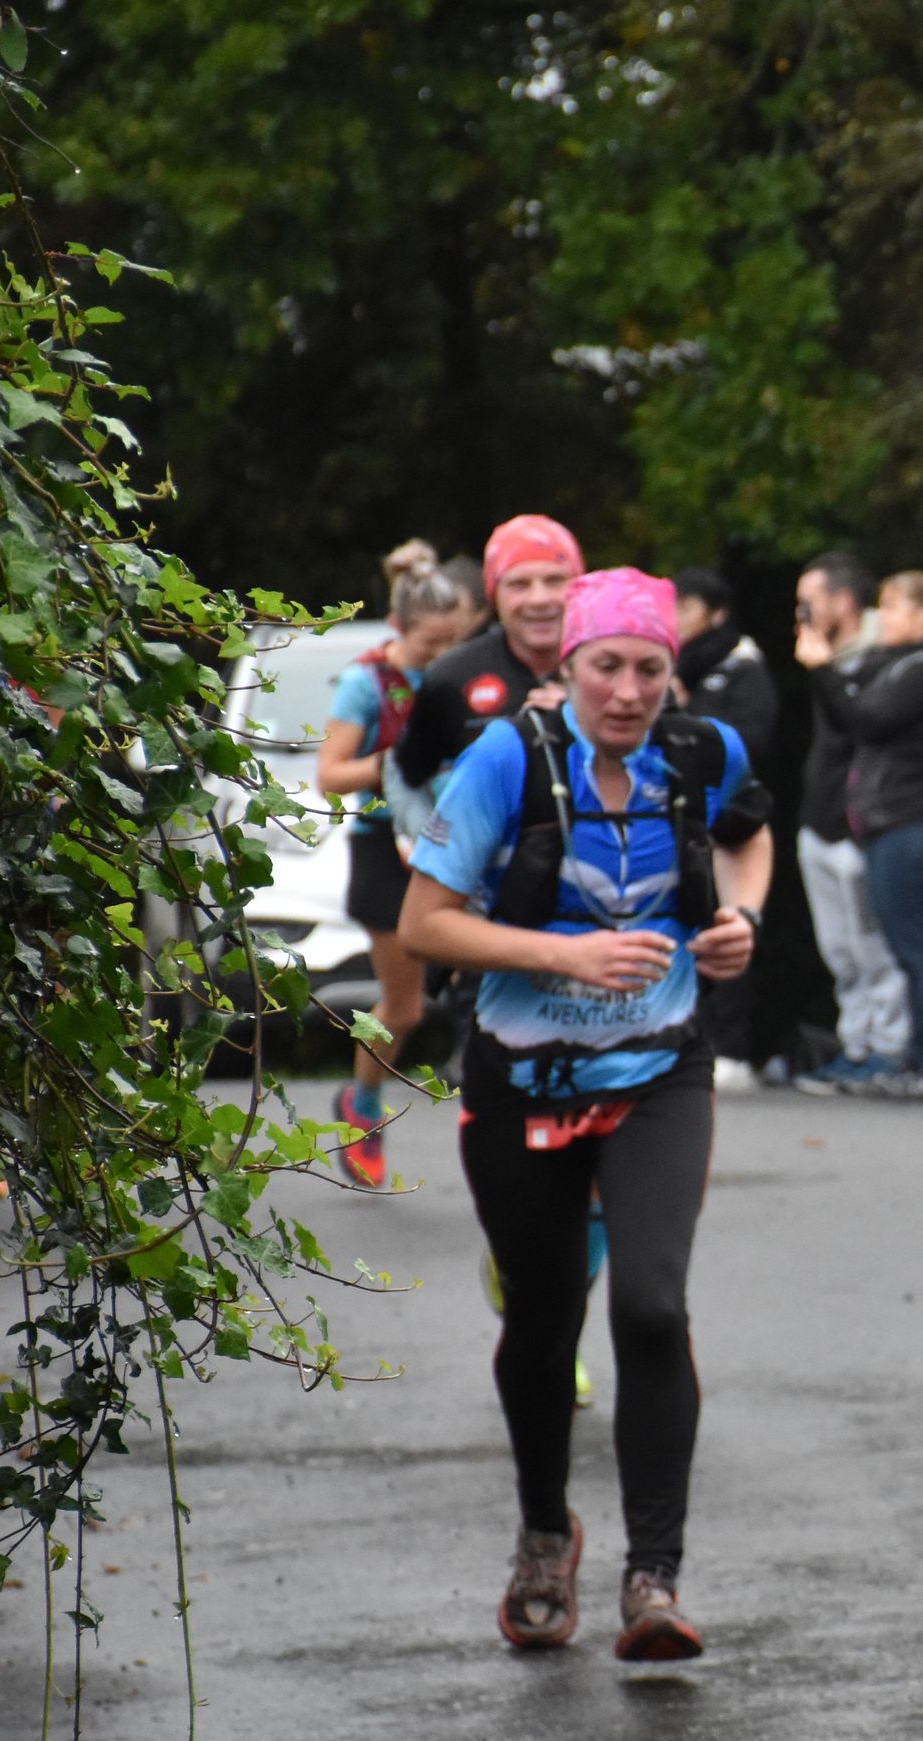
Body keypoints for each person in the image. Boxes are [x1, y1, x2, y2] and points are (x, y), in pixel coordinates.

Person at [399, 568, 775, 1662]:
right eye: (607, 666)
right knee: (543, 1317)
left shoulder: (701, 751)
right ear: (567, 667)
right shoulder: (506, 759)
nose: (629, 690)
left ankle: (654, 1577)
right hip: (520, 1075)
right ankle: (543, 1532)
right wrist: (564, 955)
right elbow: (426, 923)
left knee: (652, 1306)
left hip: (660, 1069)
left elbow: (752, 833)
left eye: (650, 668)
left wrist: (742, 918)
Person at [317, 540, 481, 1188]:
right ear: (398, 628)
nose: (444, 657)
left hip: (455, 839)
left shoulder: (462, 675)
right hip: (384, 845)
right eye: (430, 645)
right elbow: (331, 775)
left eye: (454, 643)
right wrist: (398, 765)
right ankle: (362, 1105)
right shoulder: (366, 684)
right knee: (405, 1009)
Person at [803, 570, 923, 1102]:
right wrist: (830, 670)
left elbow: (867, 719)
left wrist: (823, 669)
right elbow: (851, 711)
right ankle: (919, 1060)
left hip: (914, 822)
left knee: (921, 947)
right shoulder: (899, 663)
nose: (883, 617)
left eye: (895, 607)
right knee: (906, 947)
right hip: (890, 825)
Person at [790, 552, 912, 1093]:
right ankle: (856, 1046)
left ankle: (889, 1048)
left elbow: (863, 726)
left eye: (808, 603)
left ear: (842, 602)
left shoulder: (886, 657)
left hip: (859, 825)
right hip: (818, 820)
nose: (801, 615)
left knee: (872, 946)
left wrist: (822, 670)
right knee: (839, 949)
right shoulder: (831, 657)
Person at [393, 514, 585, 797]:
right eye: (519, 584)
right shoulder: (451, 677)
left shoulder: (618, 667)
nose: (539, 598)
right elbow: (404, 777)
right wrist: (431, 826)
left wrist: (582, 717)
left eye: (555, 580)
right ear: (494, 595)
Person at [674, 569, 776, 1093]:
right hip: (669, 817)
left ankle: (730, 1048)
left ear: (716, 612)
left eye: (686, 606)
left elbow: (750, 744)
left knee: (727, 926)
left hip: (724, 817)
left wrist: (688, 717)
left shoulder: (742, 666)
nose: (676, 618)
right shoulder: (658, 665)